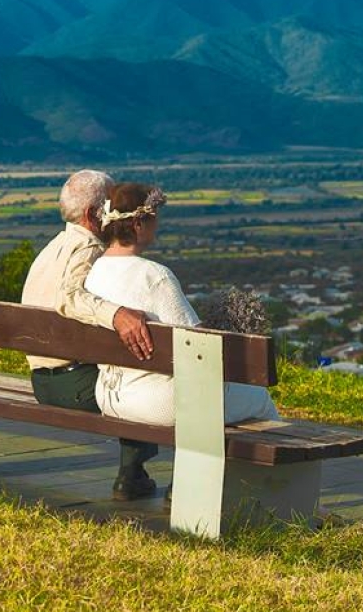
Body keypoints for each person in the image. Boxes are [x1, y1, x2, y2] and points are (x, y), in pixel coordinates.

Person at [85, 182, 279, 427]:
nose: (157, 224)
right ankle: (281, 463)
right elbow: (198, 346)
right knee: (258, 397)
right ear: (138, 224)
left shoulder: (95, 271)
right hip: (159, 402)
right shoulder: (155, 276)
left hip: (109, 396)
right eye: (154, 218)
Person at [21, 169, 159, 500]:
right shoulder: (90, 251)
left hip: (42, 382)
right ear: (91, 214)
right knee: (139, 386)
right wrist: (117, 315)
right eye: (110, 204)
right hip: (73, 386)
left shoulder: (53, 248)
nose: (116, 211)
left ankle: (135, 472)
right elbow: (69, 297)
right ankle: (131, 474)